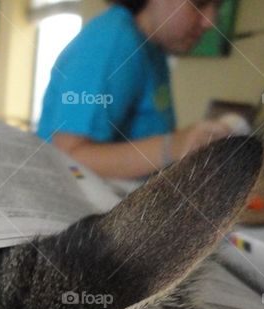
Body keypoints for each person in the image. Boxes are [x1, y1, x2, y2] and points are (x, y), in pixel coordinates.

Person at [37, 0, 241, 180]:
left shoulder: (153, 49)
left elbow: (143, 136)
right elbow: (70, 156)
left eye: (218, 6)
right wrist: (175, 146)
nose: (211, 21)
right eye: (200, 3)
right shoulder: (113, 41)